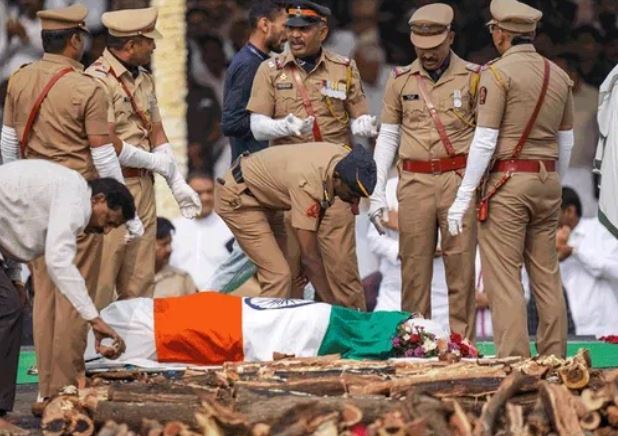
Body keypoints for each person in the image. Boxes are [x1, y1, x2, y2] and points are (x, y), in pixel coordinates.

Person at [0, 3, 167, 402]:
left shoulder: (19, 79)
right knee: (75, 297)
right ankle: (66, 387)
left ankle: (44, 391)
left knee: (43, 300)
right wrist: (125, 213)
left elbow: (7, 145)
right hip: (79, 200)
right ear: (75, 41)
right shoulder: (85, 87)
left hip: (34, 203)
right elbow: (104, 157)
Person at [448, 0, 574, 358]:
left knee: (504, 277)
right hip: (547, 179)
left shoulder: (497, 74)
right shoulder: (559, 75)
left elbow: (485, 139)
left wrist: (464, 194)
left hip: (508, 183)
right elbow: (566, 141)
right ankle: (555, 358)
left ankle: (514, 362)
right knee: (547, 274)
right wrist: (554, 182)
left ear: (500, 34)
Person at [247, 0, 377, 309]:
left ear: (323, 31)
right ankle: (295, 335)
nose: (295, 36)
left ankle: (349, 333)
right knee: (292, 272)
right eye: (291, 29)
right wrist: (283, 126)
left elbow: (359, 114)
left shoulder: (344, 68)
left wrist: (362, 124)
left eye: (304, 29)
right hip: (290, 186)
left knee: (341, 269)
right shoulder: (270, 69)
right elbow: (256, 126)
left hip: (336, 185)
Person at [369, 3, 478, 340]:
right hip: (414, 180)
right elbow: (388, 136)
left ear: (451, 37)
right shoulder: (399, 79)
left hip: (457, 179)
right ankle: (416, 343)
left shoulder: (474, 77)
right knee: (413, 268)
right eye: (420, 46)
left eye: (435, 46)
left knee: (460, 268)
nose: (427, 54)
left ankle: (462, 344)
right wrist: (377, 189)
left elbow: (486, 136)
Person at [86, 7, 201, 309]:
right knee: (104, 274)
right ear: (131, 44)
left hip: (144, 186)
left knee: (140, 280)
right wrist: (152, 162)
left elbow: (157, 131)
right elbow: (106, 141)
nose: (154, 47)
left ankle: (134, 338)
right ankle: (95, 338)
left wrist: (176, 182)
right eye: (149, 41)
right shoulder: (98, 80)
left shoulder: (144, 78)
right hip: (112, 187)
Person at [0, 160, 131, 408]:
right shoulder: (75, 199)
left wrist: (15, 276)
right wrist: (94, 318)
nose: (105, 230)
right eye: (109, 220)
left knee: (10, 304)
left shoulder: (68, 189)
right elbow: (58, 261)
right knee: (7, 309)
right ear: (99, 199)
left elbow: (11, 221)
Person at [215, 143, 376, 302]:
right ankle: (207, 306)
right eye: (352, 195)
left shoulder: (342, 159)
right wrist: (332, 306)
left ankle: (290, 317)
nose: (356, 208)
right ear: (337, 179)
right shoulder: (308, 185)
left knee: (294, 272)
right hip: (240, 199)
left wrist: (305, 265)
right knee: (278, 276)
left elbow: (308, 254)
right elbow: (310, 258)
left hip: (268, 197)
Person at [222, 0, 287, 160]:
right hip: (251, 166)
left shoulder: (259, 61)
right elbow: (232, 123)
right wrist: (280, 124)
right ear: (264, 25)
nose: (288, 35)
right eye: (285, 26)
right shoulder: (249, 64)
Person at [557, 187, 618, 337]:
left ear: (570, 211)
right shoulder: (554, 240)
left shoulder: (600, 229)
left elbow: (613, 269)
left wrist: (575, 251)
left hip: (607, 325)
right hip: (575, 328)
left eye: (554, 213)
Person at [169, 172, 234, 290]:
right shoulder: (173, 229)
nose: (205, 198)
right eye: (198, 193)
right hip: (178, 297)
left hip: (221, 296)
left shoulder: (231, 228)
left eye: (209, 192)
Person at [153, 217, 197, 298]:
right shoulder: (130, 281)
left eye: (170, 243)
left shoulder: (182, 279)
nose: (169, 249)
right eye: (163, 244)